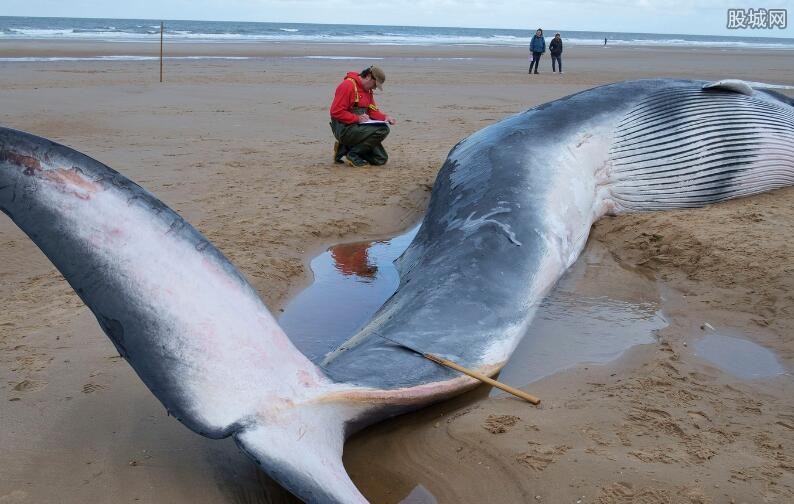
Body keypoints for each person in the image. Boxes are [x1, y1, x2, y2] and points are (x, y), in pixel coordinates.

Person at [329, 65, 396, 167]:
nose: (374, 88)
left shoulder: (368, 91)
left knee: (380, 159)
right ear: (369, 76)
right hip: (343, 129)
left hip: (358, 128)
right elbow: (336, 111)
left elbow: (372, 111)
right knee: (383, 130)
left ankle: (344, 148)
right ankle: (353, 154)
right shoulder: (347, 85)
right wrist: (357, 118)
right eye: (375, 84)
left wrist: (385, 117)